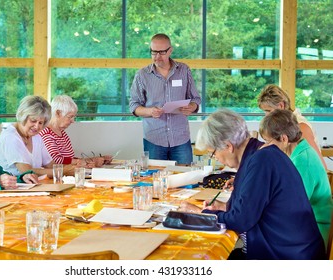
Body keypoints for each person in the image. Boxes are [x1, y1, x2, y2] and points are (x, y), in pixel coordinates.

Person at [179, 109, 326, 260]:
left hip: (289, 258)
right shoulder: (258, 154)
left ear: (228, 146)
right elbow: (251, 207)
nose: (216, 158)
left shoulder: (261, 161)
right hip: (284, 248)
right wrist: (225, 207)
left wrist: (198, 214)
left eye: (213, 153)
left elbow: (241, 221)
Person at [259, 109, 332, 248]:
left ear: (284, 139)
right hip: (306, 225)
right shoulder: (299, 152)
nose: (266, 146)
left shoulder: (303, 161)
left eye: (268, 141)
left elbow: (290, 207)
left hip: (316, 232)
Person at [129, 33, 201, 165]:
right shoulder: (142, 75)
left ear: (170, 50)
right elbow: (134, 105)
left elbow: (195, 98)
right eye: (153, 52)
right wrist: (149, 111)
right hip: (154, 138)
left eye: (161, 52)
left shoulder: (184, 70)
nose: (157, 57)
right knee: (154, 178)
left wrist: (192, 106)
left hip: (180, 138)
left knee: (185, 178)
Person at [0, 95, 74, 177]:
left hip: (29, 186)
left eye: (41, 123)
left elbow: (50, 165)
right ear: (23, 116)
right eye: (33, 121)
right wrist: (63, 171)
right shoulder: (10, 137)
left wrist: (75, 167)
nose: (37, 126)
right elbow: (26, 171)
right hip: (7, 187)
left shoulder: (36, 136)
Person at [257, 84, 327, 170]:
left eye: (268, 111)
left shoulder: (300, 127)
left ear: (281, 106)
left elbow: (320, 165)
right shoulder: (284, 125)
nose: (266, 115)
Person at [39, 95, 111, 168]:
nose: (73, 121)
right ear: (58, 113)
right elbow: (55, 160)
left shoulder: (62, 133)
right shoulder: (46, 134)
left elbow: (69, 159)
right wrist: (87, 162)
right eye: (70, 117)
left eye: (74, 117)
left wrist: (92, 160)